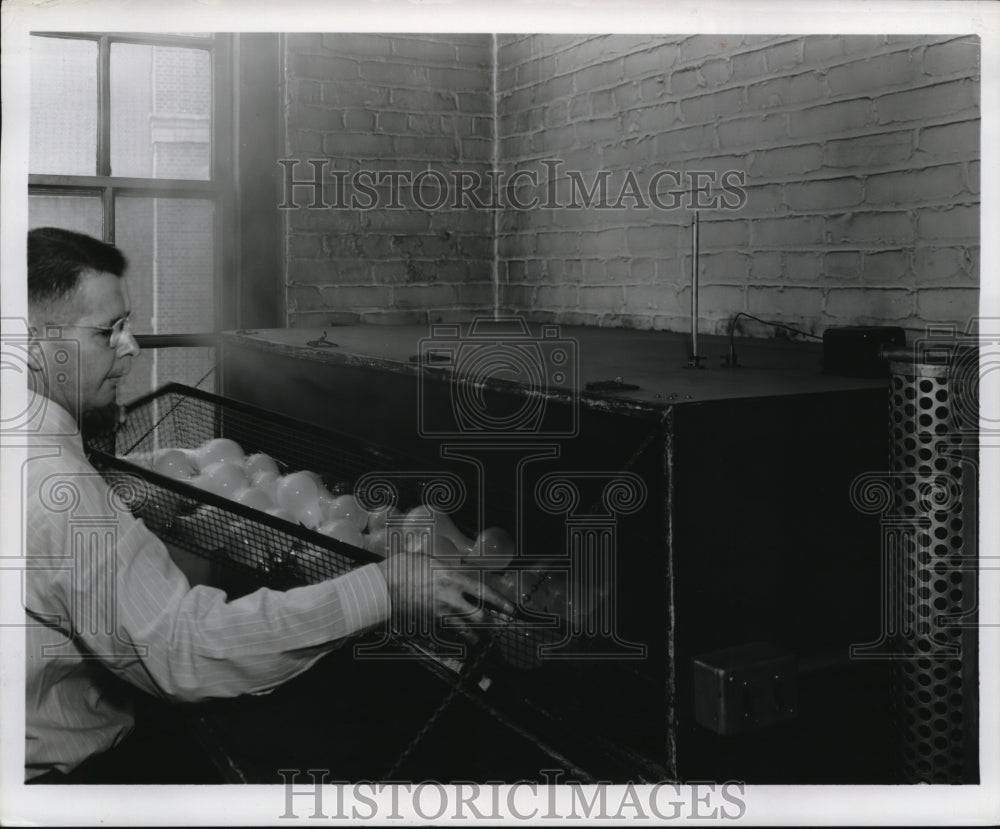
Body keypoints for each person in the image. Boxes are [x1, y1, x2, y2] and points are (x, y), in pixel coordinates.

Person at [20, 227, 512, 783]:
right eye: (108, 331)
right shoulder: (57, 485)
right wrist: (387, 588)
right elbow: (188, 650)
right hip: (65, 779)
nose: (130, 346)